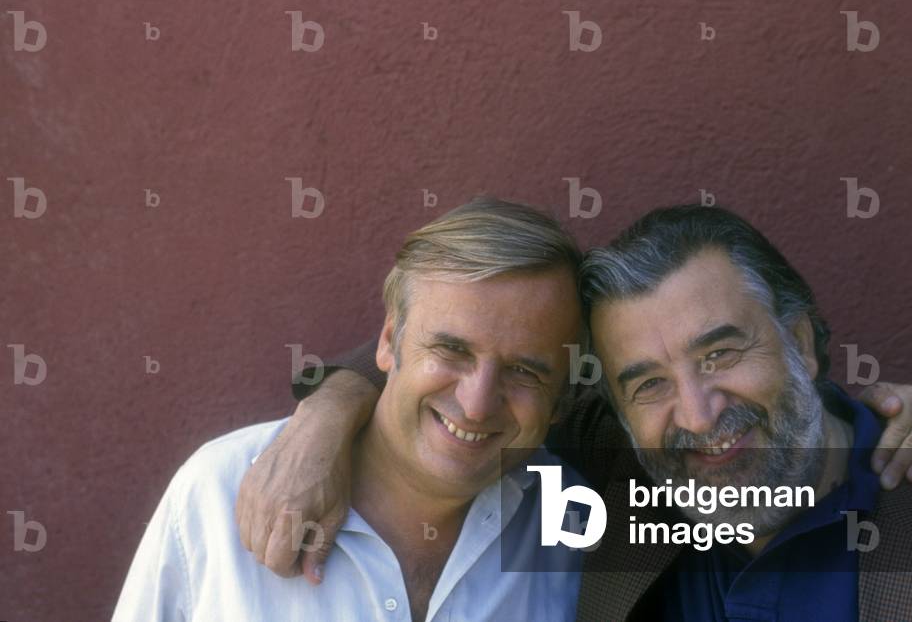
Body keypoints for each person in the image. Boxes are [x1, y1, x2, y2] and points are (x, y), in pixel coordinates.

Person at [234, 199, 912, 619]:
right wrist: (326, 415)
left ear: (797, 339)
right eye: (648, 383)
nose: (695, 413)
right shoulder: (610, 478)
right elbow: (464, 377)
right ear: (611, 403)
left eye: (720, 354)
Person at [113, 199, 595, 622]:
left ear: (564, 395)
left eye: (525, 372)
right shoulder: (217, 490)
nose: (476, 404)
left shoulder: (579, 528)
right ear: (388, 342)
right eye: (451, 351)